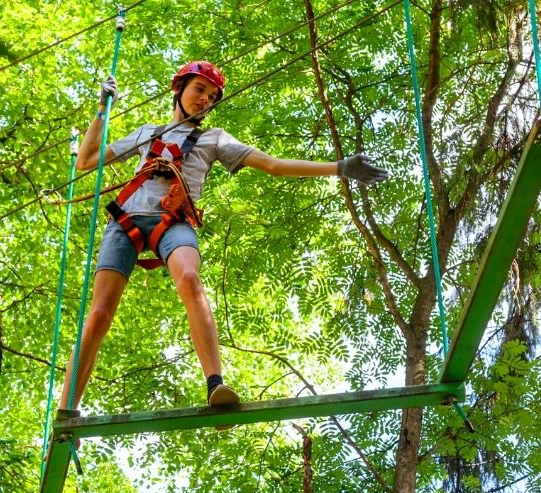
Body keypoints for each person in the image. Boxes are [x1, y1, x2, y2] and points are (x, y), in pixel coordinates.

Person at [58, 61, 387, 418]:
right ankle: (67, 409)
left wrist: (338, 168)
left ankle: (215, 383)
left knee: (189, 279)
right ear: (180, 89)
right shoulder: (146, 134)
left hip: (174, 222)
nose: (205, 100)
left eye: (212, 97)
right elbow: (86, 162)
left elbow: (273, 165)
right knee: (100, 314)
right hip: (126, 223)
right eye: (199, 90)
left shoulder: (214, 139)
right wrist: (102, 111)